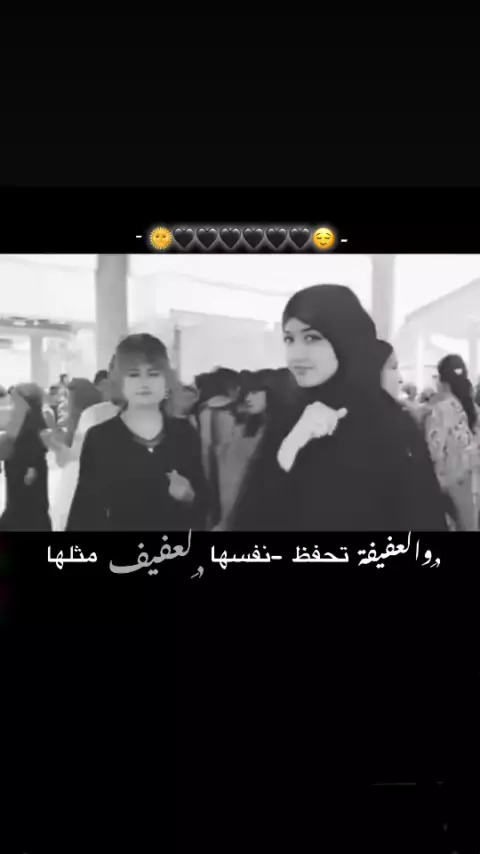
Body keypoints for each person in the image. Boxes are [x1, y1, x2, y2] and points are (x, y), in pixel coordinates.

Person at [230, 285, 448, 532]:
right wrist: (289, 450)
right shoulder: (289, 420)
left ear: (345, 340)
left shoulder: (391, 428)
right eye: (289, 339)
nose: (296, 355)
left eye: (312, 338)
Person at [67, 334, 207, 531]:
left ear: (166, 380)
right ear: (120, 381)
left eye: (153, 374)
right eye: (133, 374)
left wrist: (190, 496)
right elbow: (83, 514)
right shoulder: (101, 438)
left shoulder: (184, 433)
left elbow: (207, 506)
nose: (144, 383)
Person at [425, 354, 480, 531]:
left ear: (442, 381)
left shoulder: (440, 410)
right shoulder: (473, 408)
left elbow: (433, 451)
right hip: (474, 481)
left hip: (452, 486)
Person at [214, 371, 273, 530]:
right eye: (246, 393)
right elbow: (232, 483)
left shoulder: (278, 431)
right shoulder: (243, 430)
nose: (248, 398)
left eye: (254, 392)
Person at [43, 379, 103, 531]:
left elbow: (74, 458)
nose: (61, 403)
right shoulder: (71, 430)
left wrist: (54, 444)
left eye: (66, 397)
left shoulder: (89, 424)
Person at [0, 384, 51, 531]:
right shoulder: (18, 420)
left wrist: (32, 467)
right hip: (16, 477)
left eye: (15, 401)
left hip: (26, 477)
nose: (12, 405)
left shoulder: (34, 421)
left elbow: (37, 447)